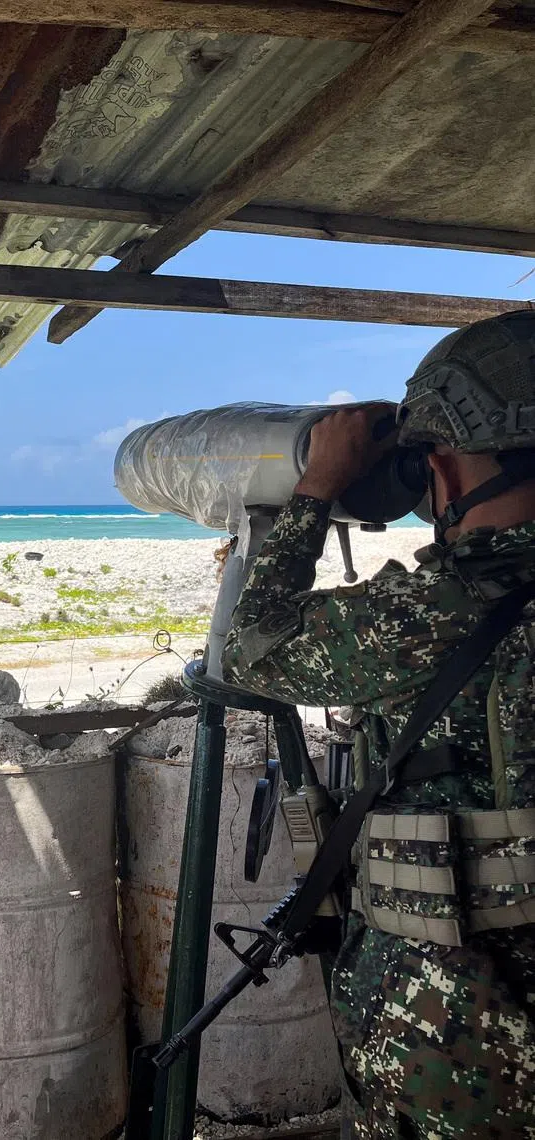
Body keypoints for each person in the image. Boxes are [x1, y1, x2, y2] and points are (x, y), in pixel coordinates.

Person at [222, 311, 535, 1139]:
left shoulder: (434, 612)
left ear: (439, 467)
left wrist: (315, 493)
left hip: (466, 1028)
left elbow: (252, 650)